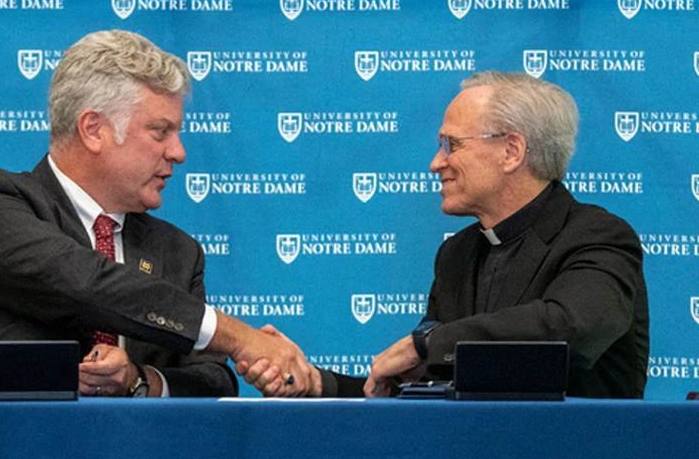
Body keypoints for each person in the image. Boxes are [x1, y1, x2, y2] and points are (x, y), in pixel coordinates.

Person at [0, 29, 314, 397]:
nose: (179, 152)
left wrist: (139, 380)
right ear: (94, 129)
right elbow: (86, 284)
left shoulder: (179, 252)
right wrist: (239, 337)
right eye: (160, 131)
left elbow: (214, 382)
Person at [238, 71, 649, 399]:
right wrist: (317, 384)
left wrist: (427, 342)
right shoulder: (458, 255)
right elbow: (418, 385)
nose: (437, 163)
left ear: (511, 151)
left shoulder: (598, 237)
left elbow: (567, 330)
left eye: (451, 145)